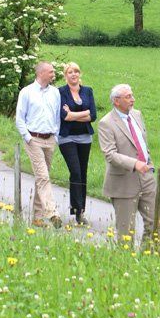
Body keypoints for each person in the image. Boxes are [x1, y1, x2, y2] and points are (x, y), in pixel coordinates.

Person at [98, 83, 156, 247]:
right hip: (123, 181)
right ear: (116, 101)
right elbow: (110, 154)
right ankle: (126, 260)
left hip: (146, 176)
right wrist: (134, 164)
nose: (133, 99)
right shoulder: (106, 123)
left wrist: (148, 162)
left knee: (156, 221)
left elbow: (142, 142)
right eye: (128, 97)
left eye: (132, 95)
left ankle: (148, 255)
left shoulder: (137, 115)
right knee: (126, 232)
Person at [14, 61, 63, 228]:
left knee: (42, 177)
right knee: (43, 176)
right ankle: (52, 212)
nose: (53, 74)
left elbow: (57, 116)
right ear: (41, 73)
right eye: (51, 72)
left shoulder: (55, 93)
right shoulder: (27, 92)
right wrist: (27, 137)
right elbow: (20, 118)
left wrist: (56, 136)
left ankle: (37, 217)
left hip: (50, 139)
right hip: (33, 139)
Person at [58, 62, 97, 226]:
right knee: (75, 172)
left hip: (85, 137)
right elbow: (64, 116)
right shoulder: (60, 92)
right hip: (67, 137)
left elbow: (93, 115)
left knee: (82, 173)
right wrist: (83, 113)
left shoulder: (87, 91)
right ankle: (77, 208)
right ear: (65, 75)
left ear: (80, 74)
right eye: (70, 72)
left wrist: (73, 114)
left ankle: (80, 211)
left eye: (76, 71)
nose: (73, 74)